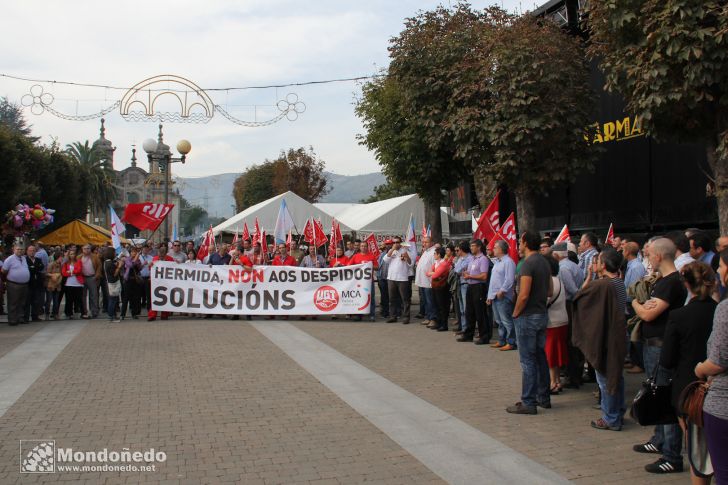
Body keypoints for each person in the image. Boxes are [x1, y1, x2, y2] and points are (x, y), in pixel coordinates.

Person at [631, 237, 688, 474]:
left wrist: (635, 302)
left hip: (661, 346)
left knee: (663, 393)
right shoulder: (663, 281)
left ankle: (672, 455)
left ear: (658, 256)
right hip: (653, 344)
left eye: (649, 254)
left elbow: (647, 314)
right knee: (656, 391)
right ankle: (659, 439)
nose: (647, 258)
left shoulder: (671, 283)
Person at [659, 261, 716, 482]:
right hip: (712, 385)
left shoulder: (679, 316)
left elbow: (667, 358)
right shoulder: (718, 311)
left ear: (686, 285)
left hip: (688, 388)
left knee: (696, 448)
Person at [574, 248, 628, 431]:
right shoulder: (618, 282)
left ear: (603, 265)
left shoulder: (603, 285)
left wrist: (589, 277)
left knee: (605, 378)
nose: (593, 265)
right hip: (620, 334)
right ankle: (617, 411)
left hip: (608, 337)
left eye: (597, 262)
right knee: (616, 375)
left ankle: (610, 417)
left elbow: (580, 296)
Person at [506, 232, 553, 415]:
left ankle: (528, 401)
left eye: (520, 241)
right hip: (541, 313)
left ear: (525, 243)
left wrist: (516, 313)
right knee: (540, 357)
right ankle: (543, 397)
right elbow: (549, 290)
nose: (518, 244)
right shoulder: (544, 262)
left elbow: (523, 294)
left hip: (528, 315)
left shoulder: (528, 264)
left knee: (527, 360)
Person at [695, 249, 728, 484]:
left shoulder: (725, 310)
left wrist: (699, 370)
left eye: (722, 265)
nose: (717, 270)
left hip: (723, 404)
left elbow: (717, 362)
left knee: (723, 471)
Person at [458, 239, 491, 344]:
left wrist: (470, 275)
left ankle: (484, 336)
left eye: (473, 246)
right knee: (469, 312)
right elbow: (472, 271)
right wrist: (467, 273)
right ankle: (468, 334)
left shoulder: (483, 259)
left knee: (480, 312)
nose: (471, 248)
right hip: (470, 286)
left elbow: (484, 276)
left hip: (479, 287)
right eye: (471, 246)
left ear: (479, 247)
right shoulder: (472, 259)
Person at [544, 255, 568, 394]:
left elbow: (545, 301)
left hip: (552, 322)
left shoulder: (550, 282)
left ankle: (553, 383)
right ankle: (557, 380)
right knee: (557, 353)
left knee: (551, 354)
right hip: (562, 320)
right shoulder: (559, 280)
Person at [623, 241, 648, 375]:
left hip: (634, 304)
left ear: (627, 252)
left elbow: (634, 290)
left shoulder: (635, 267)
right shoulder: (632, 265)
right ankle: (634, 360)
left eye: (623, 250)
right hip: (632, 303)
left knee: (635, 333)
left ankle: (639, 363)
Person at [487, 240, 517, 350]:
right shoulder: (498, 262)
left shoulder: (508, 262)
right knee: (499, 321)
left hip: (503, 296)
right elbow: (493, 281)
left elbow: (509, 279)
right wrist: (489, 296)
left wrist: (502, 290)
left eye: (495, 247)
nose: (493, 249)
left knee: (506, 320)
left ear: (501, 249)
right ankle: (501, 340)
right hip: (495, 296)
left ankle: (511, 342)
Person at [384, 237, 413, 324]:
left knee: (405, 299)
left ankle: (406, 317)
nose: (396, 243)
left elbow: (411, 264)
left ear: (401, 243)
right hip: (391, 278)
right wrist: (392, 249)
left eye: (397, 242)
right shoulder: (391, 251)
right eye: (394, 242)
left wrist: (407, 257)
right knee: (392, 299)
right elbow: (385, 260)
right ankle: (393, 316)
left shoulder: (406, 250)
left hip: (403, 278)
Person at [349, 242, 379, 322]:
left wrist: (370, 265)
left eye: (365, 246)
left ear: (367, 247)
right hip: (358, 282)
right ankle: (358, 315)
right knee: (359, 297)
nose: (363, 247)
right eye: (362, 246)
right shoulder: (355, 256)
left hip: (369, 281)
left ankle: (372, 315)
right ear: (360, 247)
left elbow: (377, 267)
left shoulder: (371, 256)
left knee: (371, 298)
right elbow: (349, 266)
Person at [2, 244, 30, 325]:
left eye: (21, 249)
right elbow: (4, 271)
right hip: (13, 284)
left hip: (24, 284)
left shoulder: (24, 258)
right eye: (18, 249)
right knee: (13, 302)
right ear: (13, 250)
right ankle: (12, 320)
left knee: (22, 302)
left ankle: (20, 318)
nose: (20, 251)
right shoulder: (9, 259)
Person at [425, 247, 452, 331]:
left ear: (439, 254)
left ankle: (444, 325)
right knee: (436, 306)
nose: (434, 255)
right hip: (435, 286)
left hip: (441, 287)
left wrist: (433, 273)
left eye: (435, 254)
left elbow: (435, 275)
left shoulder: (444, 263)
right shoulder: (436, 263)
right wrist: (434, 273)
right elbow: (427, 273)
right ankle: (439, 323)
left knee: (442, 306)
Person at [414, 237, 437, 326]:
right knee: (425, 301)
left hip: (429, 282)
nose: (424, 243)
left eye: (426, 242)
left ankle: (433, 319)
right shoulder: (425, 252)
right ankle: (428, 317)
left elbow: (435, 266)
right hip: (422, 281)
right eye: (423, 242)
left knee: (430, 301)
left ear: (432, 242)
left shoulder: (434, 252)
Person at [148, 246, 174, 321]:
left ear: (165, 254)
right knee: (155, 298)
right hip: (156, 282)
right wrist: (150, 265)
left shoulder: (170, 259)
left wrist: (177, 263)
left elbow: (175, 268)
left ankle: (164, 315)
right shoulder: (155, 259)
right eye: (160, 255)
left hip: (166, 282)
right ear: (158, 253)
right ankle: (152, 315)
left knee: (165, 298)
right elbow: (151, 270)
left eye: (162, 256)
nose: (161, 257)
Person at [453, 242, 473, 335]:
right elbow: (456, 270)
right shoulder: (461, 258)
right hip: (460, 283)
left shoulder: (470, 258)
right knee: (461, 308)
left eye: (458, 250)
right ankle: (464, 328)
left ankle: (468, 328)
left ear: (462, 250)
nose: (457, 252)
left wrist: (460, 270)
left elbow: (460, 270)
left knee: (466, 308)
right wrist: (460, 270)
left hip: (466, 284)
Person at [78, 244, 101, 319]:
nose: (87, 250)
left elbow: (99, 266)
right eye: (85, 248)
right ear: (82, 249)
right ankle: (84, 312)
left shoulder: (94, 256)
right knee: (82, 296)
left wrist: (96, 276)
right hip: (82, 277)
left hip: (92, 277)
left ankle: (94, 311)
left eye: (88, 248)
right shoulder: (79, 257)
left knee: (93, 295)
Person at [24, 244, 45, 322]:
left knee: (36, 301)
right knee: (27, 301)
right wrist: (35, 268)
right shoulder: (25, 260)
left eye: (33, 250)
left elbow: (41, 267)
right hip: (29, 283)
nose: (32, 252)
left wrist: (33, 268)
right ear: (27, 251)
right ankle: (26, 317)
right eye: (30, 250)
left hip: (37, 283)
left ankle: (35, 316)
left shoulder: (38, 259)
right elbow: (29, 269)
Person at [120, 247, 143, 321]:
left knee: (135, 298)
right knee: (126, 298)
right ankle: (122, 314)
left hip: (135, 281)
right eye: (133, 252)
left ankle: (134, 313)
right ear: (130, 253)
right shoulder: (127, 259)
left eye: (135, 252)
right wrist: (136, 258)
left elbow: (139, 268)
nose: (134, 253)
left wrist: (142, 265)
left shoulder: (138, 260)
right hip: (128, 281)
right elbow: (131, 265)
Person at [61, 250, 84, 319]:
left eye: (73, 254)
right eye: (71, 254)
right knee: (69, 300)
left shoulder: (79, 261)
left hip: (78, 284)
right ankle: (69, 313)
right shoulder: (66, 263)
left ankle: (83, 313)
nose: (72, 255)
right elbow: (64, 273)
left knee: (79, 299)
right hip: (69, 284)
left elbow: (79, 270)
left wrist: (70, 272)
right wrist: (73, 272)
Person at [102, 247, 122, 323]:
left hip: (110, 282)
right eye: (114, 253)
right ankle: (112, 316)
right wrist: (119, 266)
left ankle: (113, 315)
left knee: (112, 299)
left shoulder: (107, 262)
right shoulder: (110, 263)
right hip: (113, 283)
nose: (115, 254)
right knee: (113, 300)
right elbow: (114, 274)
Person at [45, 249, 63, 320]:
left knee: (56, 301)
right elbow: (46, 273)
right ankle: (47, 314)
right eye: (61, 257)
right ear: (58, 257)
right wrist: (53, 275)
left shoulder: (61, 265)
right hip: (51, 284)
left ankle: (55, 313)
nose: (62, 259)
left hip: (57, 285)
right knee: (49, 300)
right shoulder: (51, 264)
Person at [377, 240, 393, 318]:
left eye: (389, 244)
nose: (388, 246)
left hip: (391, 279)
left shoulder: (394, 254)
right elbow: (378, 265)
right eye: (386, 244)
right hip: (382, 278)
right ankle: (385, 312)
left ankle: (396, 312)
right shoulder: (381, 254)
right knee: (384, 296)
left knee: (393, 296)